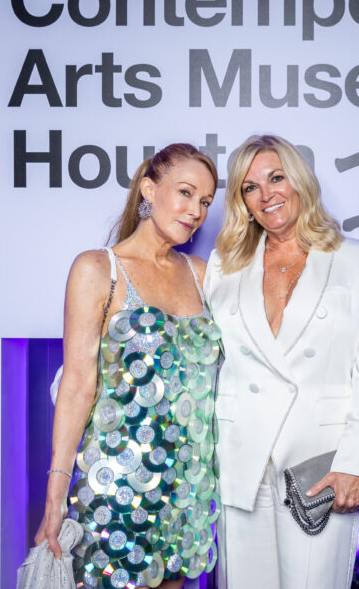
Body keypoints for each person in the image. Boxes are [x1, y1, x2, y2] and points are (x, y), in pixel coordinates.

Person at [204, 134, 359, 588]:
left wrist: (358, 463)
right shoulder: (224, 265)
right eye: (250, 187)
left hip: (321, 464)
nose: (266, 194)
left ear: (300, 181)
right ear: (242, 201)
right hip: (240, 460)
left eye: (276, 178)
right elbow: (205, 359)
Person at [35, 143, 222, 589]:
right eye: (185, 192)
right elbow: (77, 385)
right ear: (149, 189)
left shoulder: (202, 273)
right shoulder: (99, 269)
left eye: (205, 201)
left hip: (185, 489)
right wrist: (55, 495)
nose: (196, 211)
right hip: (114, 492)